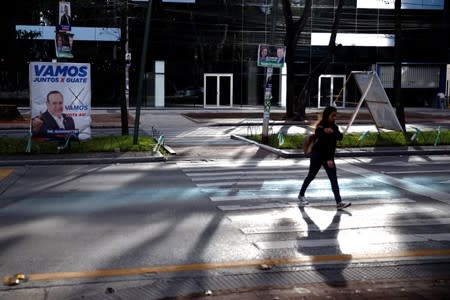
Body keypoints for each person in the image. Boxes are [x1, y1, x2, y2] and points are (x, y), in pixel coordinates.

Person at [298, 106, 351, 210]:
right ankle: (301, 194)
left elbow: (340, 137)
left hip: (327, 157)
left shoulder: (333, 127)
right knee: (311, 175)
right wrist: (328, 159)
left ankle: (339, 202)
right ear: (327, 115)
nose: (335, 117)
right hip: (318, 156)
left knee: (333, 179)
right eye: (333, 115)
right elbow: (322, 144)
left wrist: (333, 131)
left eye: (336, 115)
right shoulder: (321, 127)